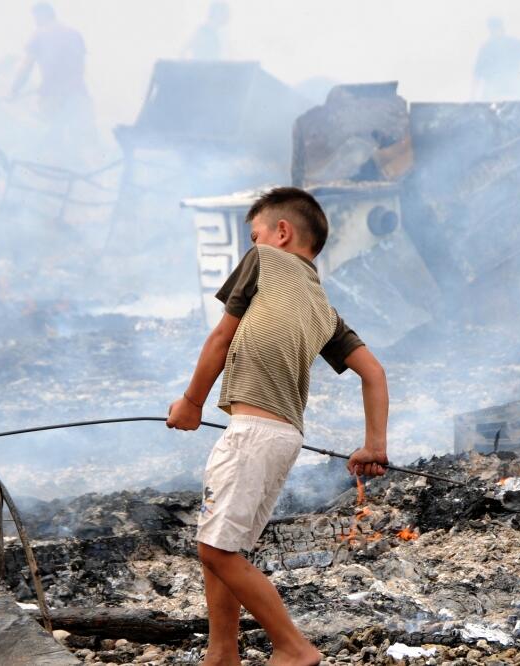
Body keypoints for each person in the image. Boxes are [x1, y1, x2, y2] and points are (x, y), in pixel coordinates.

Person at [166, 187, 389, 665]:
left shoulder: (263, 260)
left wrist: (191, 403)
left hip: (253, 434)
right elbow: (374, 373)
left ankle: (293, 646)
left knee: (215, 551)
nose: (254, 242)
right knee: (222, 543)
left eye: (256, 234)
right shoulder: (324, 309)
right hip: (283, 436)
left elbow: (221, 337)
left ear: (281, 233)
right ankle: (222, 652)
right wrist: (373, 445)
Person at [11, 2, 96, 164]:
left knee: (54, 140)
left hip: (54, 98)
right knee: (79, 142)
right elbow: (80, 67)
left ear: (43, 14)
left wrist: (14, 90)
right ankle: (78, 168)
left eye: (35, 17)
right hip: (79, 96)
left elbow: (26, 67)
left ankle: (58, 168)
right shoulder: (75, 33)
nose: (34, 21)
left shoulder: (39, 34)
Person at [471, 17, 520, 101]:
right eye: (492, 28)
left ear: (502, 28)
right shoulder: (486, 48)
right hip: (492, 91)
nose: (495, 31)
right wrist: (472, 96)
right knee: (489, 98)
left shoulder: (515, 44)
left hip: (513, 90)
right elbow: (477, 72)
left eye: (496, 27)